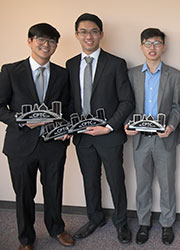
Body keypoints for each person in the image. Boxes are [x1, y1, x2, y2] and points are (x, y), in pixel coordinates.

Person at [0, 23, 74, 250]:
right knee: (24, 194)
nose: (46, 44)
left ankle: (56, 229)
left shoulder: (63, 74)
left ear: (56, 46)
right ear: (30, 41)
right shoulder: (11, 71)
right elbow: (0, 107)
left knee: (54, 189)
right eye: (41, 39)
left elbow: (69, 107)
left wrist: (67, 129)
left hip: (53, 144)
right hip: (21, 144)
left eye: (52, 41)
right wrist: (21, 120)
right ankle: (25, 238)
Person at [66, 13, 135, 244]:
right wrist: (69, 126)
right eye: (83, 31)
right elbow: (69, 101)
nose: (89, 35)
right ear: (77, 35)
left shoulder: (116, 63)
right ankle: (95, 218)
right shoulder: (70, 64)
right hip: (83, 137)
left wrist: (108, 126)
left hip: (109, 136)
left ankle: (121, 222)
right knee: (90, 180)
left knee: (116, 180)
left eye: (94, 31)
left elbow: (127, 101)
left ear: (101, 34)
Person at [124, 28, 180, 245]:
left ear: (163, 47)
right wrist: (127, 123)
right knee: (143, 184)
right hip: (140, 138)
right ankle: (144, 222)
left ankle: (167, 224)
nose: (152, 48)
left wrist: (171, 126)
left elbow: (177, 107)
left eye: (157, 43)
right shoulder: (131, 74)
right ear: (141, 47)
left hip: (164, 137)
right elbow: (127, 104)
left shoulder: (174, 75)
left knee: (167, 183)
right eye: (147, 43)